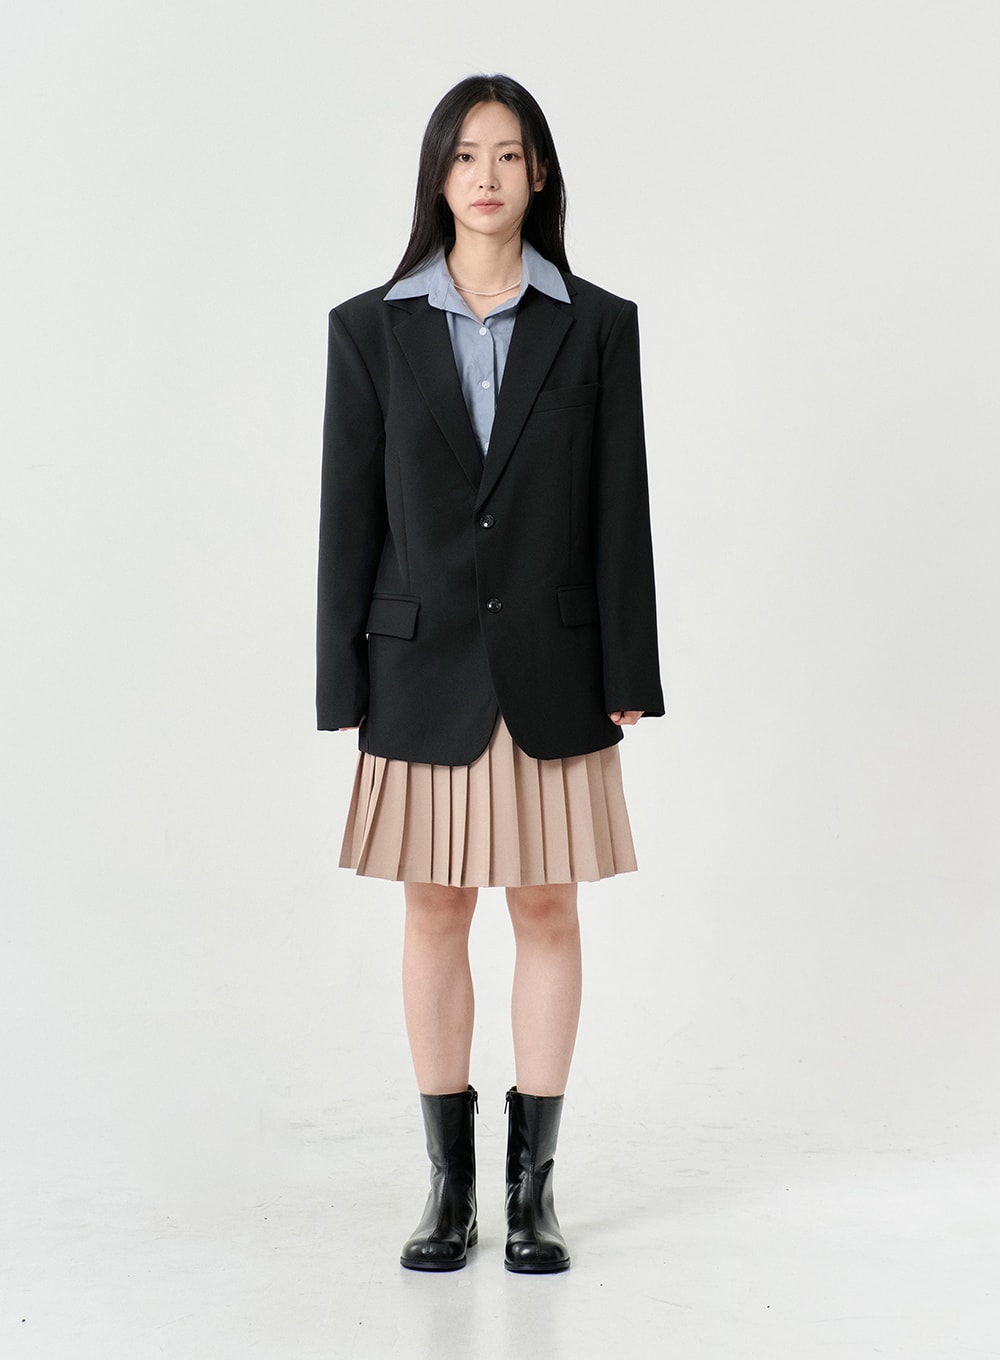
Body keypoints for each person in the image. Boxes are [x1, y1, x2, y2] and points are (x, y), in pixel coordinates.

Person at [316, 73, 663, 1274]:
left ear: (539, 174)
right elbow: (349, 516)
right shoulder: (368, 329)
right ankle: (448, 1187)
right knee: (433, 908)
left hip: (554, 666)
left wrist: (630, 662)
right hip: (418, 668)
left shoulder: (596, 324)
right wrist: (339, 680)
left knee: (547, 907)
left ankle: (531, 1192)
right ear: (437, 174)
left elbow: (619, 507)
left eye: (509, 155)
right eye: (466, 154)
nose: (486, 176)